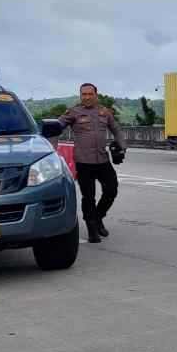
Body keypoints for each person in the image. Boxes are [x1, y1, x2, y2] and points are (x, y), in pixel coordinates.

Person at [58, 83, 126, 243]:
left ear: (96, 95)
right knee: (88, 197)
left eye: (90, 94)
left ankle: (98, 217)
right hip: (83, 162)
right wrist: (48, 135)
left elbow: (116, 129)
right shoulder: (73, 112)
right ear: (80, 96)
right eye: (84, 94)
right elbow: (57, 125)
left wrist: (122, 147)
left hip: (102, 160)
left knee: (111, 190)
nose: (86, 97)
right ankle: (91, 229)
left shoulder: (104, 112)